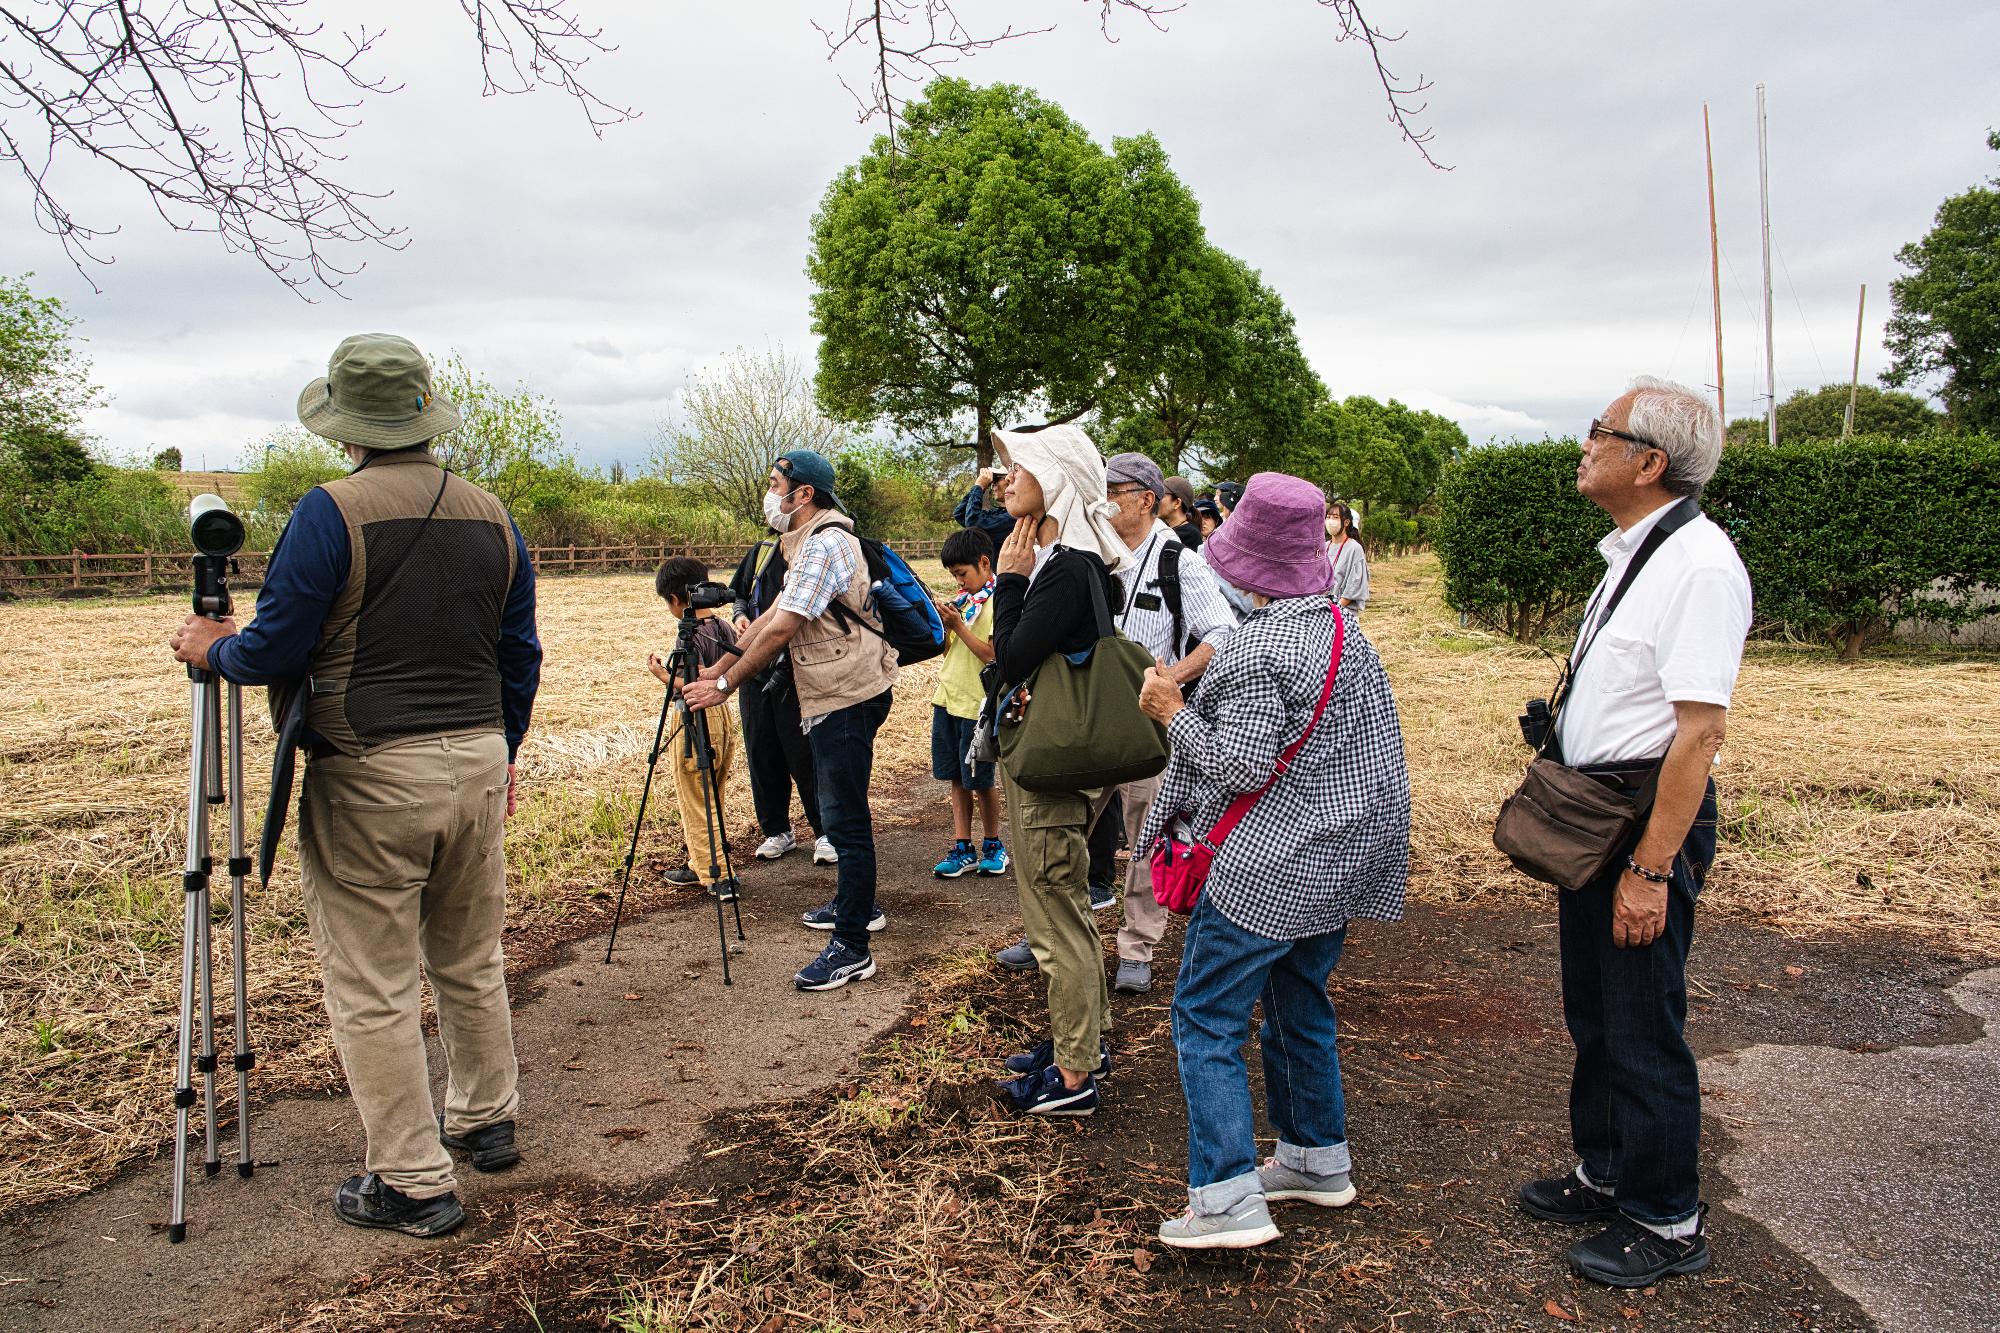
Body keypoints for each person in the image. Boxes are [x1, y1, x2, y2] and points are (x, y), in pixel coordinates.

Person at [170, 333, 541, 1239]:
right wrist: (504, 752)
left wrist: (209, 647)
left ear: (347, 425)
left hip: (370, 771)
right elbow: (519, 655)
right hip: (479, 761)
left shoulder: (329, 512)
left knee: (372, 981)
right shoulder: (496, 515)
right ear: (422, 411)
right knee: (470, 955)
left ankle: (412, 1179)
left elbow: (275, 649)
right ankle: (487, 1119)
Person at [1135, 471, 1410, 1251]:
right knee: (1297, 1003)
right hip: (1338, 860)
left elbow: (1241, 766)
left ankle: (1224, 1200)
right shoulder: (1341, 630)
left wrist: (1173, 712)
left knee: (1205, 1018)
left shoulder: (1257, 648)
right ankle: (1315, 1159)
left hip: (1265, 867)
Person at [1517, 376, 1750, 1288]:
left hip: (1645, 819)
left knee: (1643, 1018)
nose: (1585, 444)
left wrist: (1652, 868)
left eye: (1599, 432)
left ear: (1649, 461)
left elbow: (1700, 732)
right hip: (1599, 808)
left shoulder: (1697, 566)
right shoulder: (1637, 552)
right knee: (1596, 1006)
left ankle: (1666, 1215)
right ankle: (1607, 1168)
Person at [680, 450, 898, 992]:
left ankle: (853, 945)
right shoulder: (803, 545)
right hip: (835, 691)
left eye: (776, 483)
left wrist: (725, 685)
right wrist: (718, 671)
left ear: (803, 494)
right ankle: (857, 904)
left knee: (844, 817)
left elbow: (783, 629)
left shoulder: (825, 544)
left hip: (846, 694)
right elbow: (766, 622)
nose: (770, 493)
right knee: (839, 808)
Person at [986, 423, 1131, 1116]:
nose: (1004, 476)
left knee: (1053, 921)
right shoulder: (1073, 563)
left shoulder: (1064, 566)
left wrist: (1008, 585)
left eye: (1019, 466)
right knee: (1068, 904)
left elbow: (1009, 656)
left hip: (1048, 770)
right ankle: (1084, 1040)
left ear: (1059, 482)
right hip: (1059, 760)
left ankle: (1074, 1076)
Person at [1101, 451, 1239, 995]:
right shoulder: (1093, 553)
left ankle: (1137, 947)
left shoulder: (1181, 562)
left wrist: (1171, 681)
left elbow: (1221, 632)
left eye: (1114, 489)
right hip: (1093, 721)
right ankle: (1054, 935)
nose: (1104, 497)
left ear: (1146, 499)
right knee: (1065, 824)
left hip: (1151, 728)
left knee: (1144, 834)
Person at [725, 534, 835, 866]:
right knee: (762, 751)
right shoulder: (761, 553)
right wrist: (740, 617)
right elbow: (739, 596)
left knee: (804, 753)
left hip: (796, 668)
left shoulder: (812, 556)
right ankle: (777, 831)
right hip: (754, 667)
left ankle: (825, 831)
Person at [647, 557, 740, 892]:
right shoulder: (721, 627)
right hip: (723, 714)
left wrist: (661, 674)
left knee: (696, 799)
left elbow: (692, 681)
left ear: (674, 598)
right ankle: (701, 862)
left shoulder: (689, 634)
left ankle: (716, 876)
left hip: (695, 717)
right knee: (712, 794)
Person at [930, 527, 1008, 879]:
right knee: (955, 778)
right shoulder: (965, 600)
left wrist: (959, 626)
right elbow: (950, 651)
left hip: (976, 705)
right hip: (948, 698)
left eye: (962, 573)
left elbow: (992, 654)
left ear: (984, 562)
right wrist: (947, 628)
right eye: (953, 576)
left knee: (981, 779)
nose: (958, 581)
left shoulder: (998, 601)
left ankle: (994, 843)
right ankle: (963, 845)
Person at [953, 463, 1019, 540]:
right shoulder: (999, 513)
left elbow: (973, 525)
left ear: (1009, 480)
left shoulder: (1014, 517)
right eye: (992, 481)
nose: (993, 484)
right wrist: (978, 487)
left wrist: (979, 487)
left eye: (997, 479)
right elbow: (960, 514)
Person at [1325, 501, 1369, 613]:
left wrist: (1336, 609)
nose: (1330, 521)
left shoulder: (1354, 548)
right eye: (1328, 517)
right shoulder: (1324, 546)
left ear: (1346, 522)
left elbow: (1354, 585)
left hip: (1343, 613)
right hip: (1324, 611)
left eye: (1335, 517)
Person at [1162, 475, 1203, 549]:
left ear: (1177, 503)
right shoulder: (1165, 528)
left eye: (1162, 495)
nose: (1156, 499)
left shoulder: (1191, 536)